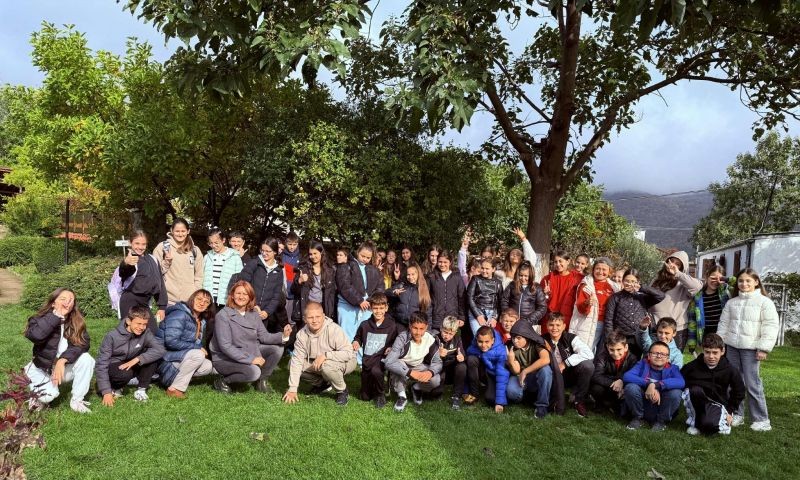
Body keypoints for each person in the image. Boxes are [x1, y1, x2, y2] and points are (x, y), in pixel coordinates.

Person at [716, 268, 779, 432]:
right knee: (734, 382)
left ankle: (761, 419)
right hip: (732, 348)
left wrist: (763, 348)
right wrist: (720, 345)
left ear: (756, 282)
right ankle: (737, 414)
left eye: (748, 281)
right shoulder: (731, 303)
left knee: (752, 384)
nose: (744, 284)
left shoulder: (764, 302)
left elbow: (770, 326)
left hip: (751, 349)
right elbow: (723, 324)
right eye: (741, 281)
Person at [210, 281, 290, 394]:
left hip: (248, 351)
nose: (241, 297)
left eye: (245, 294)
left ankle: (261, 381)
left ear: (250, 297)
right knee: (254, 372)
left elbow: (264, 336)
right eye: (238, 293)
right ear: (232, 295)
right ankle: (223, 381)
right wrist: (251, 359)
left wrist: (283, 336)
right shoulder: (223, 315)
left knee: (277, 349)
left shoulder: (253, 314)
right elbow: (226, 346)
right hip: (225, 358)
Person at [23, 288, 95, 413]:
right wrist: (55, 316)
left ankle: (77, 400)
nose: (68, 302)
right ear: (53, 303)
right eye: (63, 299)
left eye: (71, 300)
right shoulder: (38, 319)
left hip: (62, 368)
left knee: (87, 359)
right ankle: (36, 395)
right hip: (42, 368)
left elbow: (83, 343)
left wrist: (62, 360)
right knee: (49, 396)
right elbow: (36, 336)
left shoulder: (75, 321)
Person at [283, 302, 357, 406]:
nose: (314, 320)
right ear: (304, 319)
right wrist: (292, 389)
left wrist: (326, 356)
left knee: (327, 366)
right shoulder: (301, 335)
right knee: (291, 363)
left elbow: (348, 353)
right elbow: (297, 361)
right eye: (310, 317)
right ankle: (322, 384)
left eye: (318, 317)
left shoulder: (334, 329)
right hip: (318, 362)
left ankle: (342, 391)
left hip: (346, 360)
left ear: (323, 316)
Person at [96, 306, 166, 407]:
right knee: (124, 374)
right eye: (138, 323)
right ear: (129, 321)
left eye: (144, 324)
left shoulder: (146, 333)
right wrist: (106, 392)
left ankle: (141, 390)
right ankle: (115, 388)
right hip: (115, 365)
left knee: (152, 358)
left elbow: (160, 350)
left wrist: (137, 359)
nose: (142, 327)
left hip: (133, 363)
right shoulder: (112, 336)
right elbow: (101, 364)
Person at [156, 289, 216, 399]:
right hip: (164, 359)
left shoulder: (200, 320)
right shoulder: (179, 314)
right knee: (198, 355)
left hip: (177, 357)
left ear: (208, 306)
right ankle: (174, 388)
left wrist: (197, 347)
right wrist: (197, 348)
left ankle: (177, 380)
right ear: (192, 299)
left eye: (206, 302)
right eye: (199, 299)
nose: (202, 303)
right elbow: (171, 342)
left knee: (207, 366)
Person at [681, 333, 746, 435]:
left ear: (722, 351)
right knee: (694, 390)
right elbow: (680, 379)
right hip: (698, 400)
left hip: (718, 403)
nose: (711, 356)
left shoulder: (730, 369)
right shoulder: (692, 366)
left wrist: (730, 410)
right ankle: (695, 423)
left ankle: (719, 420)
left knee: (710, 425)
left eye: (715, 353)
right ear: (703, 350)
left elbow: (740, 391)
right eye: (707, 352)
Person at [335, 242, 384, 364]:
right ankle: (346, 359)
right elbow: (344, 286)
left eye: (368, 257)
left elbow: (380, 287)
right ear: (357, 252)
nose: (365, 259)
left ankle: (361, 360)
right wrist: (359, 300)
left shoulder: (374, 270)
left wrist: (370, 301)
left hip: (366, 306)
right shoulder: (346, 265)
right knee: (347, 333)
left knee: (363, 333)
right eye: (363, 256)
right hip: (347, 304)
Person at [385, 311, 442, 412]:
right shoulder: (402, 337)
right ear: (410, 326)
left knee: (436, 380)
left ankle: (416, 388)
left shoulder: (431, 339)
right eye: (415, 328)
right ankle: (402, 396)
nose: (418, 332)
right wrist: (410, 372)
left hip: (418, 365)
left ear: (426, 327)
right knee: (397, 365)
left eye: (422, 329)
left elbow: (437, 362)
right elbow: (389, 361)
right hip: (403, 363)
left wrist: (430, 372)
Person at [623, 341, 685, 432]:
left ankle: (661, 422)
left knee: (676, 393)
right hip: (643, 403)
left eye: (663, 354)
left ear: (668, 358)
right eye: (655, 353)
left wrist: (656, 385)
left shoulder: (673, 368)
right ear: (648, 355)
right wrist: (648, 384)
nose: (659, 356)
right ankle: (637, 418)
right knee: (631, 387)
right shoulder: (642, 364)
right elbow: (627, 376)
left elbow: (681, 382)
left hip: (661, 406)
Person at [649, 251, 703, 351]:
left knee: (672, 359)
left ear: (683, 268)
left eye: (678, 264)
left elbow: (697, 286)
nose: (673, 265)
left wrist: (677, 273)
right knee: (653, 357)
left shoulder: (683, 283)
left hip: (676, 331)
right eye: (672, 261)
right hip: (655, 328)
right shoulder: (657, 280)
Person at [604, 268, 665, 357]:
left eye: (633, 281)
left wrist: (641, 288)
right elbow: (608, 320)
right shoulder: (615, 298)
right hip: (620, 337)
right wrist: (609, 339)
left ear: (637, 282)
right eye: (627, 280)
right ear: (622, 281)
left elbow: (661, 296)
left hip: (638, 338)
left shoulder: (642, 297)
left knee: (635, 361)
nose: (629, 283)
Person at [543, 312, 594, 417]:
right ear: (547, 326)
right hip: (551, 375)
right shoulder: (542, 339)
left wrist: (565, 363)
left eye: (558, 325)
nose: (554, 328)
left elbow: (588, 353)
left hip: (569, 374)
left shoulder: (571, 338)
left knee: (587, 366)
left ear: (564, 326)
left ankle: (579, 400)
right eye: (551, 325)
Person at [352, 293, 399, 407]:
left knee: (376, 371)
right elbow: (358, 337)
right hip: (367, 361)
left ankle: (380, 394)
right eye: (375, 308)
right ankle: (371, 388)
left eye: (381, 308)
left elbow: (395, 341)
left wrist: (390, 347)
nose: (378, 311)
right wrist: (356, 342)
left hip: (381, 360)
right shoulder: (365, 325)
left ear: (386, 308)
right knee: (365, 397)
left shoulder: (392, 326)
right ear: (371, 308)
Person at [118, 230, 166, 329]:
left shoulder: (153, 259)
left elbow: (160, 284)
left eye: (143, 244)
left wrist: (162, 307)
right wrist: (126, 263)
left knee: (152, 331)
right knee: (131, 332)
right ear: (130, 243)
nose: (140, 247)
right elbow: (123, 272)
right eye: (137, 243)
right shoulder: (131, 259)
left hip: (144, 303)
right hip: (129, 302)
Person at [569, 257, 620, 352]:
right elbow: (580, 309)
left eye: (604, 269)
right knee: (585, 352)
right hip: (589, 323)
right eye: (598, 269)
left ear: (609, 271)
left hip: (608, 325)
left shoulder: (615, 287)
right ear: (593, 269)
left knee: (601, 354)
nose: (600, 272)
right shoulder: (586, 285)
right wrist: (587, 303)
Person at [505, 320, 553, 418]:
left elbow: (545, 359)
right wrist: (511, 361)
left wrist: (525, 371)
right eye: (513, 337)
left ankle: (542, 405)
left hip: (536, 376)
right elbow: (516, 371)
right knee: (512, 393)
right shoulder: (511, 347)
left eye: (518, 338)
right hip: (521, 377)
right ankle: (529, 397)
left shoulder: (536, 343)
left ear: (527, 337)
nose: (515, 341)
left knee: (546, 370)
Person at [152, 218, 204, 306]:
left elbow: (199, 275)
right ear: (171, 231)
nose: (180, 234)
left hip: (190, 301)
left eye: (183, 231)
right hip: (168, 301)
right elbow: (155, 273)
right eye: (177, 231)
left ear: (188, 231)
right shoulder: (162, 247)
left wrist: (195, 292)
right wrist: (166, 262)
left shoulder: (195, 250)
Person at [240, 237, 287, 333]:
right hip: (247, 309)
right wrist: (253, 305)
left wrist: (267, 312)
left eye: (268, 251)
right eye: (262, 250)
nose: (264, 253)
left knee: (259, 339)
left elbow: (276, 296)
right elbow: (243, 286)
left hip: (263, 315)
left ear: (275, 252)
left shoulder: (279, 270)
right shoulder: (253, 263)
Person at [590, 331, 639, 416]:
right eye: (612, 350)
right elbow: (596, 375)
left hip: (622, 388)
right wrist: (614, 382)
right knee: (596, 388)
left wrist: (622, 381)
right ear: (607, 347)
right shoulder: (602, 356)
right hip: (607, 385)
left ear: (626, 347)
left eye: (619, 349)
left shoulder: (633, 358)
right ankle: (599, 404)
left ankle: (614, 404)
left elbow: (633, 375)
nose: (615, 353)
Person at [291, 240, 337, 326]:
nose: (312, 256)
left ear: (321, 253)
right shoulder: (303, 269)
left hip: (322, 308)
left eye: (315, 253)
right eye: (310, 254)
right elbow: (293, 290)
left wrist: (330, 311)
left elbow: (332, 294)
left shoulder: (330, 270)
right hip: (307, 307)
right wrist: (299, 281)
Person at [686, 265, 730, 356]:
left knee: (723, 361)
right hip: (705, 335)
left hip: (723, 335)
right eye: (713, 278)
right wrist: (692, 342)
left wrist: (726, 280)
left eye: (719, 278)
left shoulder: (726, 293)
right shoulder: (697, 297)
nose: (715, 281)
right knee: (708, 360)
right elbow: (692, 321)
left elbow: (739, 282)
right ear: (706, 276)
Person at [465, 325, 510, 413]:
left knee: (490, 399)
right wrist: (465, 391)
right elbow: (469, 350)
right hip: (482, 371)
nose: (483, 345)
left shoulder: (501, 351)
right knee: (471, 359)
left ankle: (491, 391)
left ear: (493, 340)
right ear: (476, 340)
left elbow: (502, 375)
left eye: (487, 342)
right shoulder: (474, 346)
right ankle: (474, 394)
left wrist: (499, 403)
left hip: (493, 376)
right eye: (480, 342)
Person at [539, 250, 584, 331]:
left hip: (567, 319)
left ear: (568, 261)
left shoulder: (578, 278)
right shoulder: (547, 279)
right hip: (550, 319)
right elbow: (540, 301)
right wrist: (545, 294)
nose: (558, 264)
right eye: (555, 262)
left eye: (560, 261)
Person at [203, 228, 244, 309]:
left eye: (216, 243)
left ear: (223, 240)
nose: (213, 245)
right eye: (211, 243)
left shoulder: (235, 257)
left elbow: (240, 279)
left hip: (226, 299)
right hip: (208, 299)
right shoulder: (207, 257)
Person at [434, 316, 467, 410]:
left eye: (450, 334)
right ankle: (437, 390)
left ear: (455, 333)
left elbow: (463, 354)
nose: (447, 336)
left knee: (462, 366)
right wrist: (438, 355)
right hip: (439, 369)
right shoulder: (435, 338)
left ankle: (456, 396)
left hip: (452, 371)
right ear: (441, 328)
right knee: (436, 394)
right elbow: (428, 360)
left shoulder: (457, 339)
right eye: (445, 332)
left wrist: (462, 357)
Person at [501, 260, 547, 329]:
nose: (523, 278)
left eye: (526, 276)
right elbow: (504, 300)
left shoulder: (536, 288)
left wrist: (530, 320)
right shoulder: (512, 285)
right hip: (513, 323)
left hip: (529, 324)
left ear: (531, 275)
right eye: (521, 275)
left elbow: (542, 307)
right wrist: (509, 316)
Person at [429, 250, 466, 333]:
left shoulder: (457, 277)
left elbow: (461, 298)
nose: (442, 264)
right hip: (436, 320)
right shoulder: (432, 277)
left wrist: (461, 317)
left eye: (445, 262)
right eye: (440, 262)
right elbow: (428, 300)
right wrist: (429, 320)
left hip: (452, 319)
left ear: (450, 262)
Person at [388, 263, 432, 329]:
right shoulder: (402, 285)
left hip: (415, 325)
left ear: (418, 274)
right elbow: (386, 292)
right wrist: (394, 292)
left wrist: (428, 330)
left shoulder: (423, 290)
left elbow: (428, 313)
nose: (410, 277)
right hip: (399, 323)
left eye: (413, 274)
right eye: (408, 274)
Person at [466, 258, 503, 335]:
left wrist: (495, 318)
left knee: (489, 337)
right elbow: (469, 298)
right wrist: (478, 315)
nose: (484, 271)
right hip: (476, 311)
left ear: (493, 269)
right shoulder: (475, 279)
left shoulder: (498, 283)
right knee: (478, 335)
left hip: (492, 313)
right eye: (482, 268)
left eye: (487, 269)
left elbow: (500, 302)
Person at [282, 232, 301, 321]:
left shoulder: (301, 257)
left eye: (294, 244)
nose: (292, 247)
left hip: (296, 294)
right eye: (290, 244)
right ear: (286, 243)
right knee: (283, 320)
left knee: (293, 320)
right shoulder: (281, 256)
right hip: (283, 294)